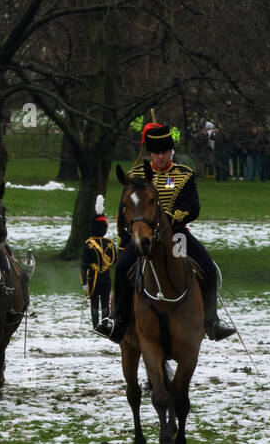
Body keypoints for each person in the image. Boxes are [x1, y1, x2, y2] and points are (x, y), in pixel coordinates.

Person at [97, 122, 236, 343]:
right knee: (123, 268)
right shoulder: (134, 175)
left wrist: (169, 220)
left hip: (176, 235)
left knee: (208, 268)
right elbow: (125, 213)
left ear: (171, 151)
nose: (160, 157)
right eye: (156, 152)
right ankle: (118, 320)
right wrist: (125, 243)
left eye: (164, 152)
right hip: (142, 235)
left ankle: (212, 322)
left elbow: (192, 208)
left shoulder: (183, 174)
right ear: (150, 152)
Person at [81, 196, 118, 332]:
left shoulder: (88, 244)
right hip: (106, 276)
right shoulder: (109, 243)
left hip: (93, 277)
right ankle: (105, 323)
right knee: (105, 300)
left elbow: (84, 265)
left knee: (95, 301)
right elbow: (114, 260)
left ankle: (96, 324)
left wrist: (84, 282)